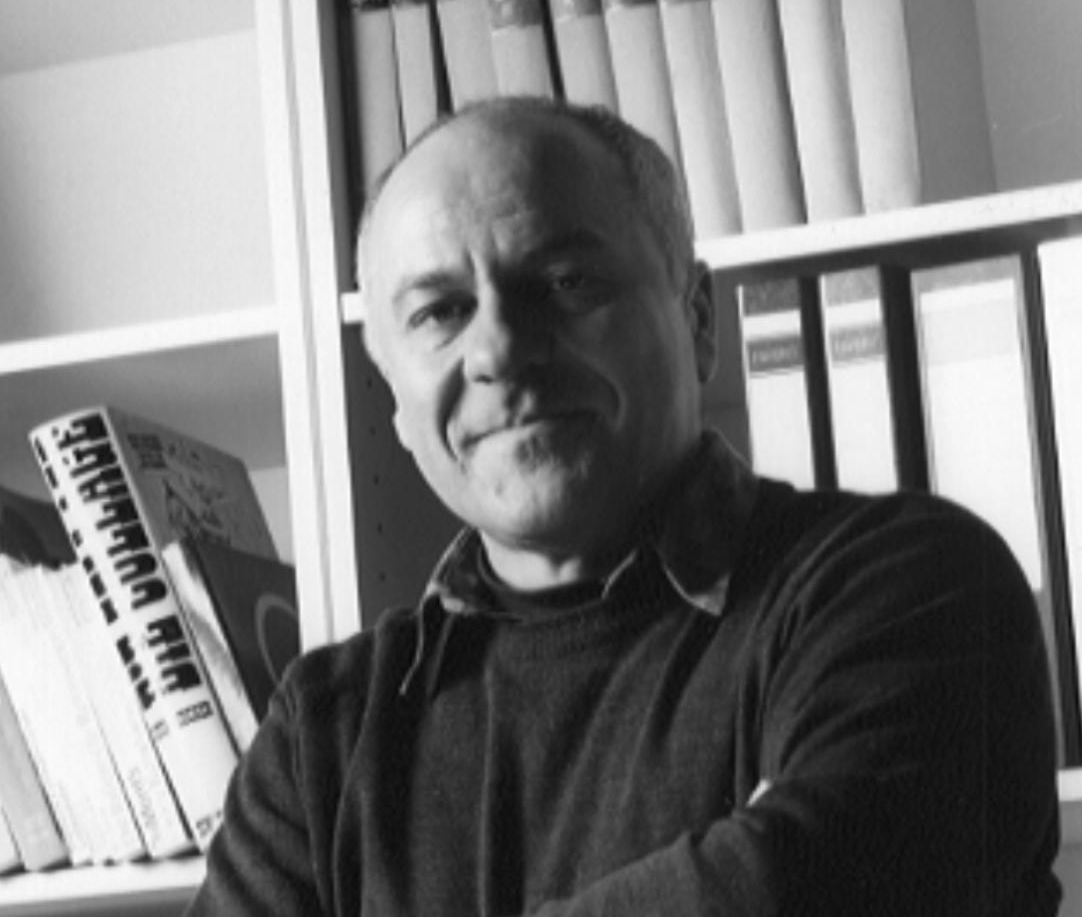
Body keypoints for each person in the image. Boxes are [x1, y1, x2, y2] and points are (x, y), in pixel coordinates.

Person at [187, 96, 1062, 916]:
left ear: (698, 318)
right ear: (393, 399)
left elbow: (795, 889)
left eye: (565, 283)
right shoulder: (324, 738)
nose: (498, 350)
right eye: (440, 312)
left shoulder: (912, 587)